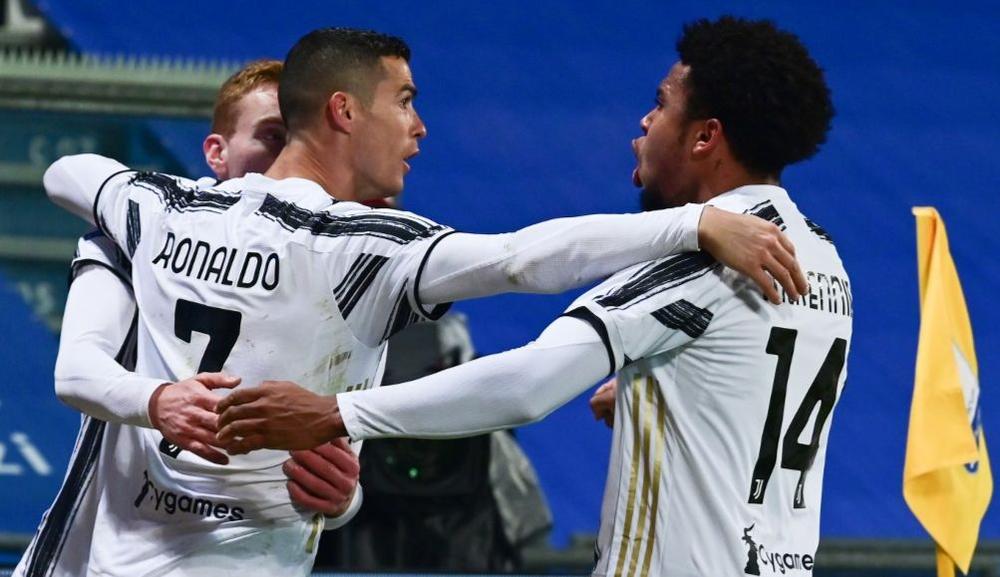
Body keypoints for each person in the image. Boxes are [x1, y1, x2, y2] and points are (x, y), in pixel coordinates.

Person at [44, 27, 806, 576]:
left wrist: (341, 495)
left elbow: (70, 171)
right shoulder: (362, 250)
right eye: (404, 101)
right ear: (344, 112)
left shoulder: (157, 211)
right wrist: (690, 224)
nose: (419, 126)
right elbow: (521, 258)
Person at [15, 60, 360, 577]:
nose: (290, 155)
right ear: (217, 152)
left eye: (302, 138)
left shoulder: (347, 271)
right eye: (272, 135)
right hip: (97, 559)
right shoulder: (138, 234)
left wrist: (343, 498)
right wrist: (157, 400)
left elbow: (331, 468)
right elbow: (77, 372)